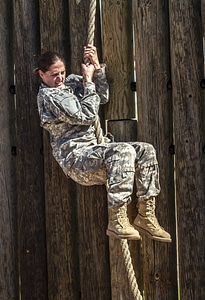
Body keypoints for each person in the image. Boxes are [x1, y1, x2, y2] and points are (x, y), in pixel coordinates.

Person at [35, 44, 171, 242]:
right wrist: (88, 80)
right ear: (41, 75)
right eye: (54, 74)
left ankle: (146, 214)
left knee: (145, 151)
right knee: (122, 151)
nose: (60, 78)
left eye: (62, 72)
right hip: (78, 160)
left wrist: (96, 68)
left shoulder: (72, 83)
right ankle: (117, 220)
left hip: (96, 152)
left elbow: (102, 97)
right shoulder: (49, 97)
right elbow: (87, 115)